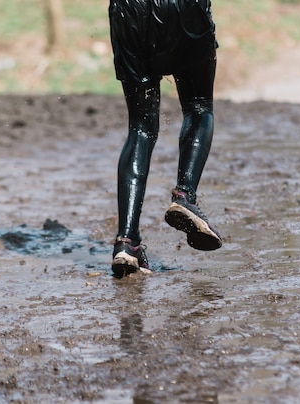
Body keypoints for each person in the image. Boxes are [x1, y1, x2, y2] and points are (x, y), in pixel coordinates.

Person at [108, 0, 223, 278]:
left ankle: (127, 242)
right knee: (199, 107)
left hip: (128, 11)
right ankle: (184, 196)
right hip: (184, 9)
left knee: (140, 128)